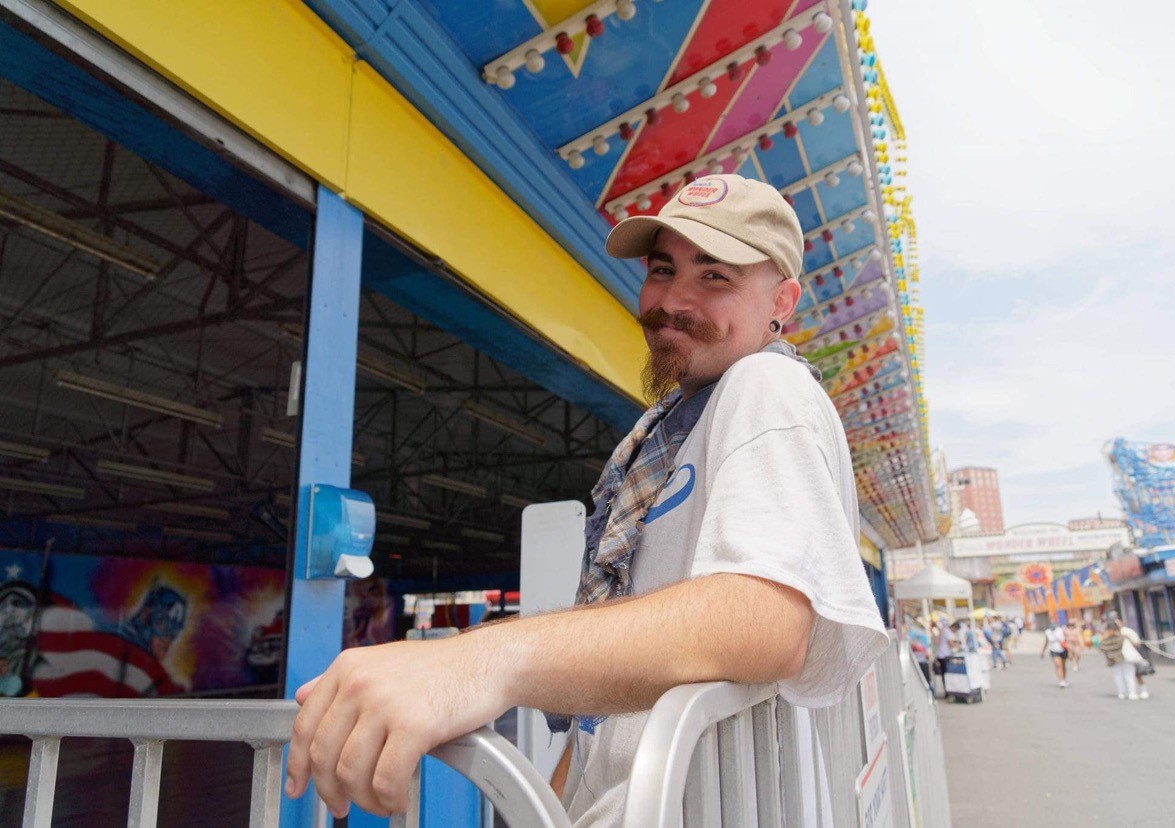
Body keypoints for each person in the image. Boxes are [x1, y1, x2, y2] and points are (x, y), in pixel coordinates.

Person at [282, 175, 890, 820]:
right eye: (662, 268)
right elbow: (610, 718)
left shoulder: (769, 386)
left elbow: (766, 619)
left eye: (715, 276)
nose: (672, 299)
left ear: (782, 302)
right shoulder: (662, 437)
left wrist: (477, 662)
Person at [1098, 621, 1139, 700]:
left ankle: (1121, 693)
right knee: (1129, 675)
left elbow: (1101, 648)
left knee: (1118, 676)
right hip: (1126, 658)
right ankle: (1132, 693)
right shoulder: (1123, 637)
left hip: (1113, 659)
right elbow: (1136, 644)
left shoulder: (1105, 639)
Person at [1040, 622, 1069, 688]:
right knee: (1058, 666)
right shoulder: (1047, 632)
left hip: (1063, 650)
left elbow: (1067, 639)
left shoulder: (1061, 630)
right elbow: (1046, 642)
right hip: (1054, 651)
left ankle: (1064, 679)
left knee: (1063, 666)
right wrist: (1042, 651)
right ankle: (1061, 681)